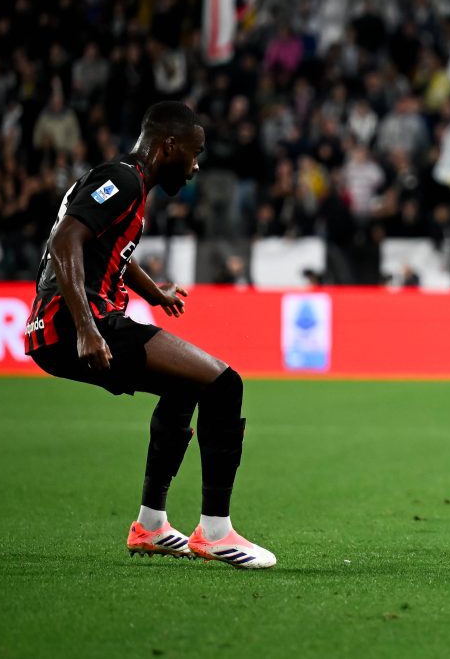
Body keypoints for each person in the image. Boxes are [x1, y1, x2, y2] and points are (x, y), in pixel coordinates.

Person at [23, 101, 275, 569]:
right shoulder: (122, 180)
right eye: (195, 153)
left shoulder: (127, 184)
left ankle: (151, 525)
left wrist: (153, 294)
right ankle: (216, 532)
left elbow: (109, 248)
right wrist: (85, 328)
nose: (196, 167)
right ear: (169, 145)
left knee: (184, 386)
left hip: (69, 324)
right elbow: (64, 243)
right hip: (77, 323)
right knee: (224, 383)